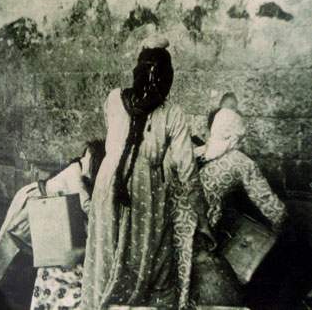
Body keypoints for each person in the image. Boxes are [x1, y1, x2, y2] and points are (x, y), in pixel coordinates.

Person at [81, 35, 200, 310]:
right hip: (146, 188)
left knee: (106, 248)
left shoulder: (114, 99)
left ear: (136, 71)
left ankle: (101, 301)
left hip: (109, 181)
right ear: (167, 79)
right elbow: (187, 169)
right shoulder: (173, 113)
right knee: (148, 252)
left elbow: (115, 137)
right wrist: (200, 216)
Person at [0, 140, 106, 300]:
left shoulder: (81, 173)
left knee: (33, 250)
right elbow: (86, 204)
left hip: (51, 207)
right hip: (35, 202)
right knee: (12, 242)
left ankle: (12, 287)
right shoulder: (74, 172)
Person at [195, 92, 287, 232]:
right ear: (237, 136)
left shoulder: (200, 151)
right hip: (206, 223)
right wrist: (282, 220)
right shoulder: (241, 161)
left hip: (182, 215)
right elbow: (263, 196)